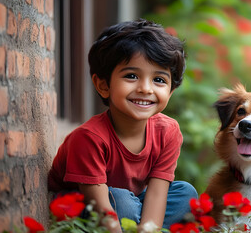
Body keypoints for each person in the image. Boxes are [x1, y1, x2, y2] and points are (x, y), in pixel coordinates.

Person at [48, 19, 198, 232]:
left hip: (131, 201)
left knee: (185, 194)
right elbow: (101, 209)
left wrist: (148, 228)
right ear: (103, 85)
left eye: (159, 80)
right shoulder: (88, 138)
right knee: (122, 202)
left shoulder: (168, 131)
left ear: (170, 92)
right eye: (131, 76)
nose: (146, 89)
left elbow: (156, 192)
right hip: (86, 204)